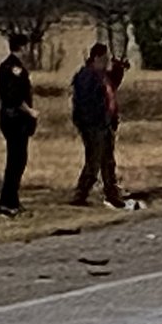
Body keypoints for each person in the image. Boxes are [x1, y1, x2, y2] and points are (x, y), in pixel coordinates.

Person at [70, 43, 128, 207]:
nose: (106, 62)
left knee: (108, 161)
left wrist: (119, 68)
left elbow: (113, 84)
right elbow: (85, 103)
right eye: (104, 59)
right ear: (96, 58)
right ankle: (80, 194)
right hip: (93, 125)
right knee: (94, 160)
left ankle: (112, 193)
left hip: (106, 123)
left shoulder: (102, 75)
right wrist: (91, 123)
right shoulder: (87, 76)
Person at [0, 33, 38, 213]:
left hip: (11, 118)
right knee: (16, 161)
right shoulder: (14, 68)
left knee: (16, 160)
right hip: (15, 119)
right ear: (23, 47)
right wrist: (30, 112)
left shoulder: (7, 66)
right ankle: (8, 201)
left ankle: (11, 199)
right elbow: (14, 96)